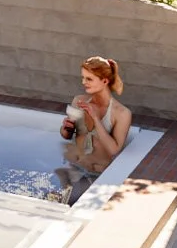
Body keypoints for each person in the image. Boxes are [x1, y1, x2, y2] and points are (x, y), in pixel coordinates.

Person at [53, 56, 132, 203]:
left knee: (64, 205)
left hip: (96, 175)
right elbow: (66, 135)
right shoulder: (79, 101)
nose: (83, 82)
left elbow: (114, 149)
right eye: (83, 78)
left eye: (89, 79)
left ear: (104, 81)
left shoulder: (121, 113)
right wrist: (66, 128)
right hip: (73, 167)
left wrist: (95, 119)